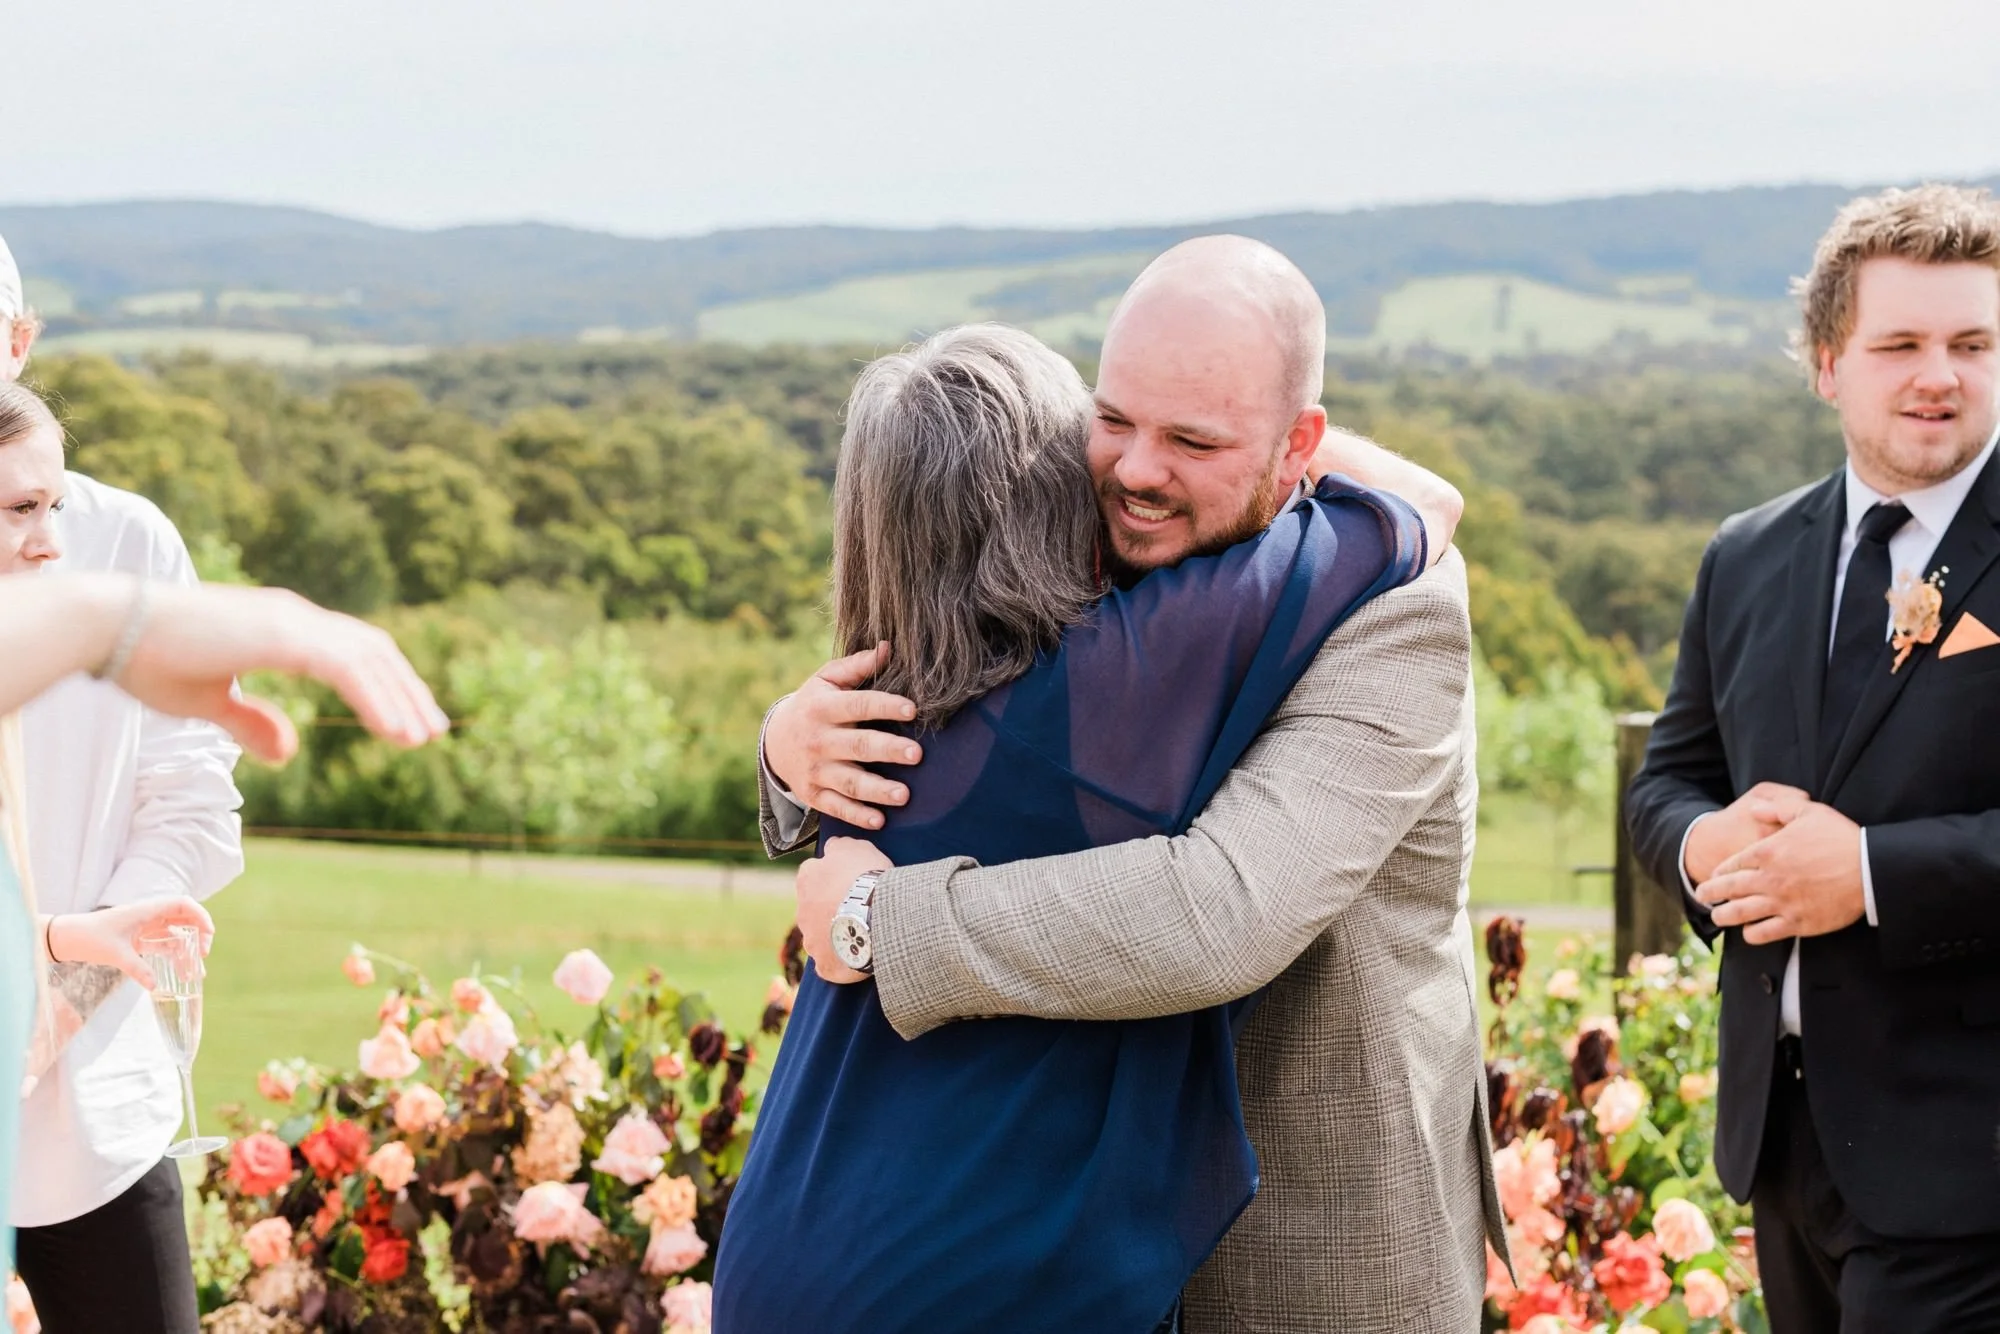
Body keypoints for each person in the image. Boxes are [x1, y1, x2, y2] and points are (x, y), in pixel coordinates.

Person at [763, 238, 1505, 1333]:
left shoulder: (1392, 615)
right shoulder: (1097, 539)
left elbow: (1221, 909)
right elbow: (967, 723)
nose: (1136, 469)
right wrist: (789, 753)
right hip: (1068, 1247)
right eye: (1112, 420)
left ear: (1300, 442)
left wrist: (884, 917)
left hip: (1309, 1247)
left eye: (1193, 438)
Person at [1626, 183, 2000, 1332]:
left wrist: (1870, 873)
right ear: (1827, 361)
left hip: (1973, 1162)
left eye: (1972, 342)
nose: (1937, 373)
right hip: (1782, 1144)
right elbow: (1665, 779)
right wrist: (1703, 841)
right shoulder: (1740, 555)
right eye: (1898, 343)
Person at [0, 396, 448, 1279]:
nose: (53, 542)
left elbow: (192, 800)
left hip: (99, 1128)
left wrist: (68, 962)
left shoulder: (129, 537)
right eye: (20, 511)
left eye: (52, 507)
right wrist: (112, 626)